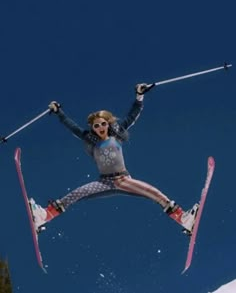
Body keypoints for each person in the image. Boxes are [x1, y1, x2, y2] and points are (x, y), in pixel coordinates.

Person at [31, 84, 198, 234]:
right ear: (93, 128)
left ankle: (184, 219)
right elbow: (73, 127)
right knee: (76, 194)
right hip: (104, 182)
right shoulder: (92, 140)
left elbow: (132, 116)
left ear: (108, 124)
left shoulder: (116, 136)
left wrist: (139, 96)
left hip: (123, 179)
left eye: (103, 124)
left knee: (154, 193)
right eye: (96, 126)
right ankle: (45, 215)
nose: (100, 128)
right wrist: (59, 112)